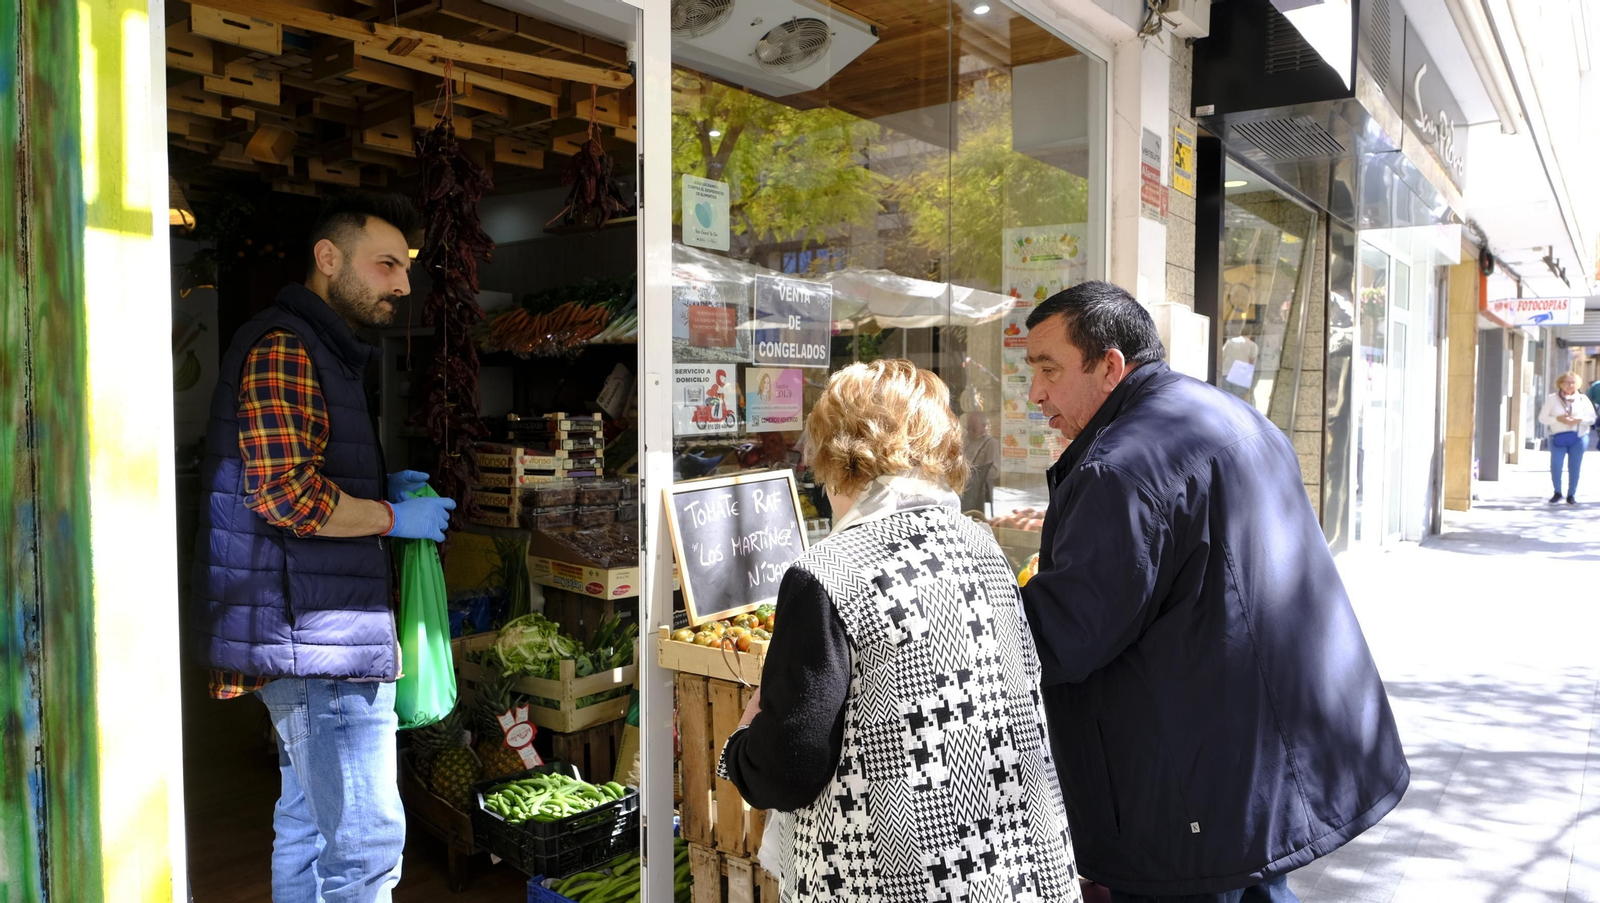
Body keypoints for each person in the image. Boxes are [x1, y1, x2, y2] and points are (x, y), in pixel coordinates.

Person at [1019, 281, 1407, 903]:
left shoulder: (1118, 467)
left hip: (1189, 784)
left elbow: (1064, 636)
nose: (1035, 392)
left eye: (1049, 369)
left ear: (1111, 366)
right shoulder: (1227, 412)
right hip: (1253, 759)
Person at [719, 360, 1081, 903]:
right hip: (1016, 870)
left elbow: (788, 767)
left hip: (888, 878)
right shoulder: (981, 548)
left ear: (838, 450)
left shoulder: (828, 571)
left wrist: (742, 746)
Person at [192, 192, 457, 903]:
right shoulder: (285, 347)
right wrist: (388, 516)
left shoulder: (319, 348)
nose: (403, 283)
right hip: (318, 639)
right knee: (365, 847)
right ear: (328, 259)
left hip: (313, 628)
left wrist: (379, 484)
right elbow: (285, 493)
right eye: (387, 265)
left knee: (309, 828)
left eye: (405, 268)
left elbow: (305, 469)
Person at [1539, 371, 1596, 504]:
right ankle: (1557, 492)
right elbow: (1542, 418)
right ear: (1560, 384)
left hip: (1579, 437)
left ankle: (1571, 494)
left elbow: (1592, 419)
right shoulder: (1552, 399)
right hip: (1558, 437)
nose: (1570, 385)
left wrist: (1579, 419)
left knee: (1575, 466)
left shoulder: (1583, 399)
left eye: (1573, 382)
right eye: (1567, 382)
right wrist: (1557, 419)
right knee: (1556, 465)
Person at [960, 408, 1000, 514]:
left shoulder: (991, 443)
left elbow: (994, 471)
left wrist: (977, 470)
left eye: (973, 428)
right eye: (968, 428)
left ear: (983, 426)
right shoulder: (965, 440)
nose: (970, 431)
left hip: (977, 487)